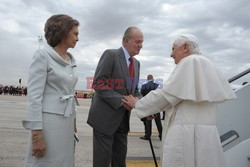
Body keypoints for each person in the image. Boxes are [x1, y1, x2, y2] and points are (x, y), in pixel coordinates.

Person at [122, 34, 236, 167]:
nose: (171, 54)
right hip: (205, 136)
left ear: (186, 47)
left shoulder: (189, 62)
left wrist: (138, 104)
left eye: (173, 48)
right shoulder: (207, 64)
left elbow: (166, 95)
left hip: (187, 135)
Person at [22, 14, 79, 167]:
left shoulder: (70, 60)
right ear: (63, 32)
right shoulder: (42, 56)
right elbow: (34, 97)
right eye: (75, 33)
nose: (77, 38)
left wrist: (73, 120)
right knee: (47, 162)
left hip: (66, 123)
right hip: (49, 124)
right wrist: (36, 135)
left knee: (64, 161)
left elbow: (70, 92)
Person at [87, 26, 143, 167]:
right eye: (137, 41)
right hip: (104, 120)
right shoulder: (111, 55)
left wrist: (145, 105)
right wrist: (121, 101)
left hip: (122, 121)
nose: (140, 45)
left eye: (142, 42)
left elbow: (134, 91)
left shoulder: (136, 64)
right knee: (102, 162)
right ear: (126, 41)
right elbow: (99, 83)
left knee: (120, 160)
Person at [140, 74, 162, 140]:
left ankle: (148, 135)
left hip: (148, 106)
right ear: (153, 78)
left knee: (148, 121)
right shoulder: (157, 86)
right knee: (158, 122)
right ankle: (161, 135)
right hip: (156, 106)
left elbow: (142, 97)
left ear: (147, 79)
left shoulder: (144, 86)